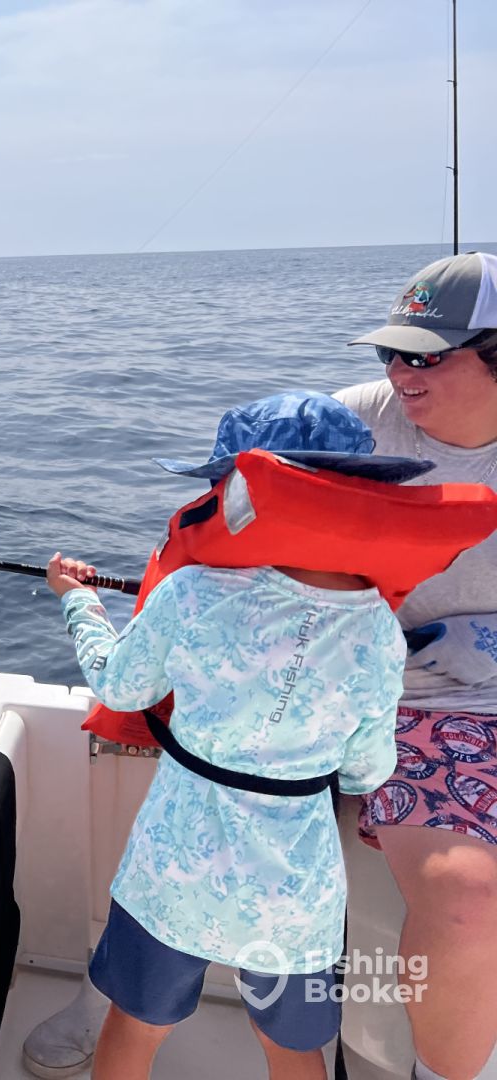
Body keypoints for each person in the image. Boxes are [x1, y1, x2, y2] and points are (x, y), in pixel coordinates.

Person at [45, 390, 432, 1080]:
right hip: (297, 891)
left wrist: (80, 603)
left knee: (135, 1026)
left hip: (174, 874)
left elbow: (121, 687)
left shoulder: (192, 591)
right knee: (294, 1049)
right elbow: (366, 770)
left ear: (245, 492)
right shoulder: (378, 627)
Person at [338, 250, 497, 1080]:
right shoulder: (352, 423)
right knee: (467, 901)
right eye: (390, 352)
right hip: (412, 703)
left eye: (426, 357)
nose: (399, 373)